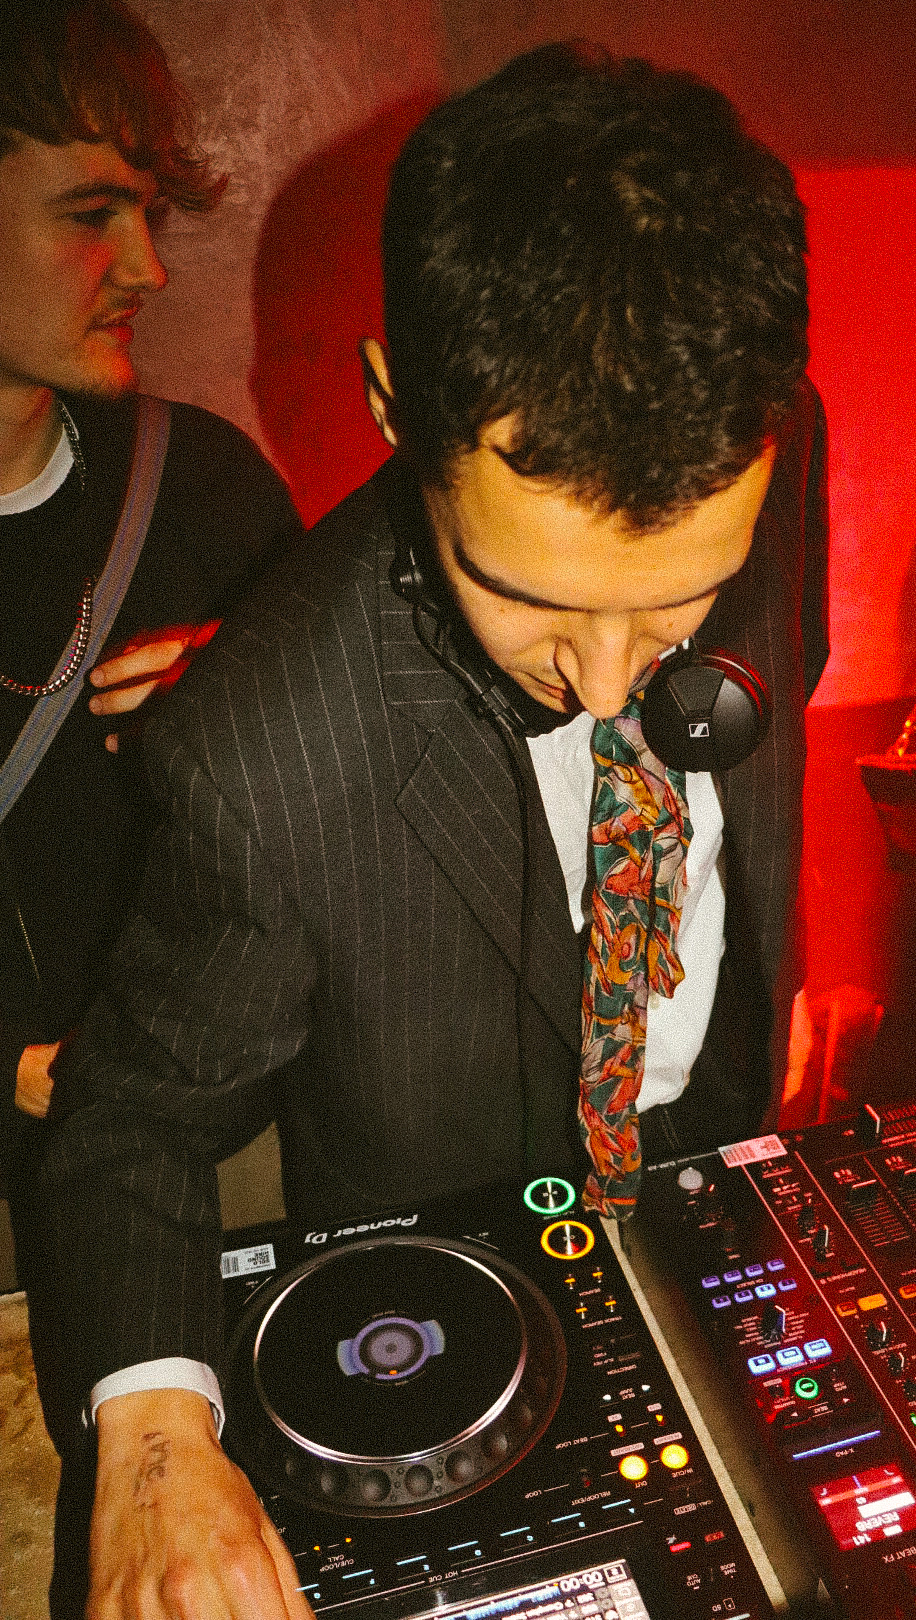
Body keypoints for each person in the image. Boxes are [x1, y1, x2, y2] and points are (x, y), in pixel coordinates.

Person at [43, 42, 828, 1618]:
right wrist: (153, 1440)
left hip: (733, 1184)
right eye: (533, 600)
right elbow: (127, 1123)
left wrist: (768, 989)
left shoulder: (776, 439)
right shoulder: (258, 752)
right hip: (456, 1325)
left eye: (677, 601)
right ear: (395, 404)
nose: (611, 686)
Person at [0, 0, 300, 1612]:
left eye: (148, 213)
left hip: (213, 1202)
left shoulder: (206, 491)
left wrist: (258, 714)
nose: (147, 268)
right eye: (87, 213)